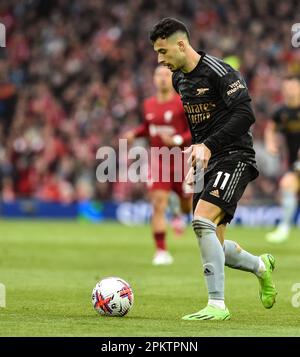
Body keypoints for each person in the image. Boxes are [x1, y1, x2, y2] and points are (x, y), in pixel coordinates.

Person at [149, 17, 277, 320]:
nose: (160, 59)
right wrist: (196, 149)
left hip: (235, 156)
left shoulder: (220, 71)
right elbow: (201, 123)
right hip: (206, 162)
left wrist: (208, 145)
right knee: (214, 244)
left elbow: (246, 113)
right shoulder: (180, 79)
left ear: (181, 44)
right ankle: (261, 266)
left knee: (201, 220)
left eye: (163, 51)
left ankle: (217, 305)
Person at [124, 64, 192, 265]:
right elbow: (148, 127)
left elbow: (194, 131)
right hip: (158, 160)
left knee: (187, 206)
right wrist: (134, 134)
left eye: (166, 74)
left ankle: (179, 214)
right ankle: (161, 251)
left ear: (172, 79)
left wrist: (177, 140)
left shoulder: (182, 104)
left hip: (181, 161)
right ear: (154, 79)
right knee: (158, 204)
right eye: (159, 75)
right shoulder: (148, 104)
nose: (162, 78)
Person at [265, 75, 300, 243]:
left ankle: (285, 226)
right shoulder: (281, 112)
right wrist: (270, 143)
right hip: (295, 162)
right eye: (286, 88)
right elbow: (270, 128)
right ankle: (285, 227)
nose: (289, 91)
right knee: (287, 184)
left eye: (293, 87)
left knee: (287, 183)